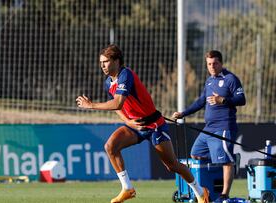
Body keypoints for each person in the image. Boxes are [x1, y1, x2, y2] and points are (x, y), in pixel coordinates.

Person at [76, 44, 209, 203]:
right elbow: (117, 107)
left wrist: (91, 105)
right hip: (135, 127)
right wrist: (128, 122)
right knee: (110, 147)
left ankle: (201, 193)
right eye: (101, 62)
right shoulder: (108, 83)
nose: (102, 65)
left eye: (106, 61)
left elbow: (118, 102)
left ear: (117, 61)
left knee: (172, 165)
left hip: (154, 126)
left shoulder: (126, 74)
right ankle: (127, 188)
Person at [172, 50, 246, 202]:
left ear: (221, 63)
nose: (212, 66)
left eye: (215, 63)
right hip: (208, 129)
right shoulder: (209, 81)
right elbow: (201, 101)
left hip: (224, 127)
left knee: (225, 161)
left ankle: (224, 194)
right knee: (196, 154)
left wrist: (223, 100)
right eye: (209, 64)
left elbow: (241, 99)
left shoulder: (230, 79)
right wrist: (183, 113)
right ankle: (207, 189)